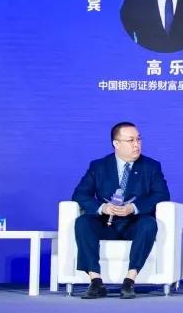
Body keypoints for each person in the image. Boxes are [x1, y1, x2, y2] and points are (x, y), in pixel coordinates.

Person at [71, 122, 170, 298]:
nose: (136, 144)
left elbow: (161, 194)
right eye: (131, 140)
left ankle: (129, 280)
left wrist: (133, 208)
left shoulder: (151, 166)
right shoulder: (99, 166)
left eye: (138, 139)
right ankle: (96, 281)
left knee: (149, 224)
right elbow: (80, 194)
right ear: (116, 143)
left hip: (134, 223)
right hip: (106, 223)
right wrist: (102, 208)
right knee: (83, 222)